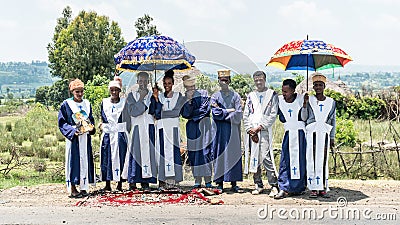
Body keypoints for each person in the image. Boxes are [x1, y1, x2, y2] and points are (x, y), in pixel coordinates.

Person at [243, 71, 279, 197]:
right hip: (252, 131)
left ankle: (274, 185)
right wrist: (250, 130)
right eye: (256, 80)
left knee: (266, 158)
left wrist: (259, 128)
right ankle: (258, 184)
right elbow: (246, 114)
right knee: (254, 158)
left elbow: (273, 114)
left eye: (261, 79)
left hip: (264, 131)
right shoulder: (251, 96)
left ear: (265, 79)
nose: (259, 82)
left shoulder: (272, 95)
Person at [58, 78, 96, 198]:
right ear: (72, 92)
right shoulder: (66, 104)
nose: (80, 94)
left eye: (81, 91)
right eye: (77, 92)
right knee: (73, 161)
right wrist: (72, 131)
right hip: (74, 137)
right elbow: (62, 122)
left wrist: (92, 128)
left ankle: (84, 187)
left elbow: (90, 119)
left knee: (85, 160)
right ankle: (73, 188)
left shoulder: (87, 103)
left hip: (85, 137)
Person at [149, 69, 186, 190]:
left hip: (173, 128)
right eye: (165, 84)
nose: (167, 86)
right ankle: (162, 181)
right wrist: (156, 99)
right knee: (161, 154)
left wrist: (164, 110)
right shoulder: (157, 96)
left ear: (173, 83)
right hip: (161, 128)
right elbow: (157, 114)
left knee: (174, 153)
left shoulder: (178, 96)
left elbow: (177, 112)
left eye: (169, 83)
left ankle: (174, 180)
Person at [122, 72, 157, 191]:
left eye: (145, 81)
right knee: (136, 153)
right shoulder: (132, 95)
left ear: (148, 82)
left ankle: (145, 181)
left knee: (148, 154)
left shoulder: (153, 95)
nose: (142, 83)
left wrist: (156, 98)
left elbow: (156, 111)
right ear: (137, 82)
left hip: (149, 126)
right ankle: (133, 180)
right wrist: (141, 98)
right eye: (140, 81)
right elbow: (133, 112)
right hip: (137, 127)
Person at [304, 72, 336, 198]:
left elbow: (333, 120)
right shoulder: (309, 99)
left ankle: (322, 187)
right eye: (315, 85)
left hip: (324, 133)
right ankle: (313, 188)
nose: (318, 87)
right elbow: (304, 117)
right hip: (312, 133)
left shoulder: (331, 102)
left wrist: (332, 137)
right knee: (311, 160)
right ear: (313, 87)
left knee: (322, 160)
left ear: (324, 86)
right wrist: (305, 105)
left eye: (320, 85)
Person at [274, 79, 307, 199]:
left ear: (293, 91)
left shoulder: (301, 99)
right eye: (283, 91)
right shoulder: (279, 101)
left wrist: (304, 105)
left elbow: (304, 118)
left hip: (300, 134)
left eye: (286, 91)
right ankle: (284, 187)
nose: (284, 94)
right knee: (285, 161)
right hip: (288, 134)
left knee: (300, 161)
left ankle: (298, 187)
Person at [211, 69, 243, 193]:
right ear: (218, 82)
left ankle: (233, 182)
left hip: (232, 131)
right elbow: (215, 113)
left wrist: (224, 115)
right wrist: (229, 111)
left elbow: (238, 113)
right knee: (220, 154)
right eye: (221, 80)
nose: (224, 82)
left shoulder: (235, 96)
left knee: (233, 154)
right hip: (219, 131)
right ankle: (219, 182)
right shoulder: (215, 96)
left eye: (226, 80)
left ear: (229, 81)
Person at [180, 74, 213, 189]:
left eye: (192, 86)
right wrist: (189, 102)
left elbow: (205, 110)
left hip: (204, 127)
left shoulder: (203, 93)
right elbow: (184, 114)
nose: (191, 88)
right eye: (189, 87)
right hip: (192, 128)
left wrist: (192, 116)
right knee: (194, 153)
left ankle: (208, 180)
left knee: (205, 152)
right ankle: (197, 179)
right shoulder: (184, 98)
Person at [99, 77, 130, 192]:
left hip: (120, 134)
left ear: (119, 91)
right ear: (109, 90)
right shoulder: (104, 102)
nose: (114, 92)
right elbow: (102, 116)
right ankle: (107, 184)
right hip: (108, 134)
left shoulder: (124, 103)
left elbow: (127, 118)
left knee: (121, 157)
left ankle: (120, 184)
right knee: (107, 157)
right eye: (112, 90)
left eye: (116, 90)